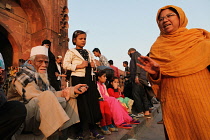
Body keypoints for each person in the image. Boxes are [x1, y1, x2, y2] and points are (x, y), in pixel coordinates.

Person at [137, 5, 210, 140]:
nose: (164, 20)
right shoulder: (157, 48)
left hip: (202, 101)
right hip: (174, 105)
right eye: (160, 19)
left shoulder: (200, 40)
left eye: (169, 15)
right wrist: (155, 74)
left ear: (181, 17)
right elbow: (156, 81)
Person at [7, 46, 88, 140]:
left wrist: (71, 90)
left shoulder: (42, 78)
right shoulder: (23, 75)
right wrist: (63, 98)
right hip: (23, 118)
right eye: (40, 61)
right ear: (30, 62)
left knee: (71, 98)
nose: (44, 65)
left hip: (36, 113)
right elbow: (36, 97)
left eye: (46, 62)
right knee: (47, 96)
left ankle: (65, 135)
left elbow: (53, 93)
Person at [63, 30, 104, 139]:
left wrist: (93, 64)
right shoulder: (71, 52)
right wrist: (78, 66)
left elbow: (94, 65)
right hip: (77, 79)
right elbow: (65, 64)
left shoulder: (88, 52)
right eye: (81, 39)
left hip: (89, 79)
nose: (83, 41)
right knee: (81, 104)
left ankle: (93, 128)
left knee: (92, 103)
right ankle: (80, 131)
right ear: (74, 40)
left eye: (84, 39)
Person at [0, 66, 27, 140]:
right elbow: (29, 95)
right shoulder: (23, 76)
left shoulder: (42, 77)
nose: (2, 70)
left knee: (17, 107)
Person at [128, 48, 150, 118]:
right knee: (143, 95)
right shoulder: (140, 56)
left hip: (138, 78)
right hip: (143, 78)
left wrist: (136, 76)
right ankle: (146, 111)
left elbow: (137, 66)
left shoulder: (135, 55)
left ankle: (140, 111)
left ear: (130, 52)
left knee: (136, 94)